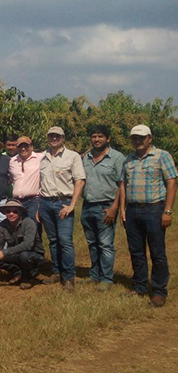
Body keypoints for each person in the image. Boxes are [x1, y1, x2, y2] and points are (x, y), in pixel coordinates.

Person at [120, 124, 177, 307]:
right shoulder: (128, 159)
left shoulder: (162, 156)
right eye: (134, 138)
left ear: (150, 138)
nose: (138, 141)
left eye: (141, 138)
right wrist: (122, 209)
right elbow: (123, 186)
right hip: (132, 210)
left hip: (154, 209)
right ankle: (139, 286)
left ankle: (159, 291)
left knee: (157, 252)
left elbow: (171, 183)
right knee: (136, 252)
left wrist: (167, 211)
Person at [39, 126, 86, 291]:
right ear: (47, 137)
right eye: (51, 136)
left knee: (65, 241)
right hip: (45, 203)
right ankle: (56, 271)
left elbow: (80, 180)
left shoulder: (72, 156)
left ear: (63, 138)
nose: (54, 138)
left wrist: (72, 205)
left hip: (63, 203)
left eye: (57, 136)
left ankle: (68, 277)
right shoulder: (42, 157)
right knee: (53, 240)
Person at [80, 125, 125, 291]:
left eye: (100, 136)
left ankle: (106, 279)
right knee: (92, 243)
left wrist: (115, 208)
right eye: (93, 136)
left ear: (108, 138)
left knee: (105, 244)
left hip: (106, 206)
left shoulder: (117, 157)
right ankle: (94, 275)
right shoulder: (86, 157)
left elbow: (122, 185)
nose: (96, 139)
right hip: (87, 206)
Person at [0, 199, 44, 289]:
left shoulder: (29, 223)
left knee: (24, 255)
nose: (11, 214)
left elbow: (28, 245)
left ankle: (28, 278)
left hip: (33, 255)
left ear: (20, 212)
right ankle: (17, 271)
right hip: (15, 254)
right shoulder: (2, 225)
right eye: (8, 211)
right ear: (5, 213)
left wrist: (4, 253)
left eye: (15, 211)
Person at [9, 136, 43, 223]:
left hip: (33, 201)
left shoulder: (40, 158)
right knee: (18, 229)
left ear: (31, 147)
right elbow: (12, 179)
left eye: (26, 146)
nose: (23, 149)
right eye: (20, 146)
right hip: (17, 202)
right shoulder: (13, 161)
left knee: (33, 227)